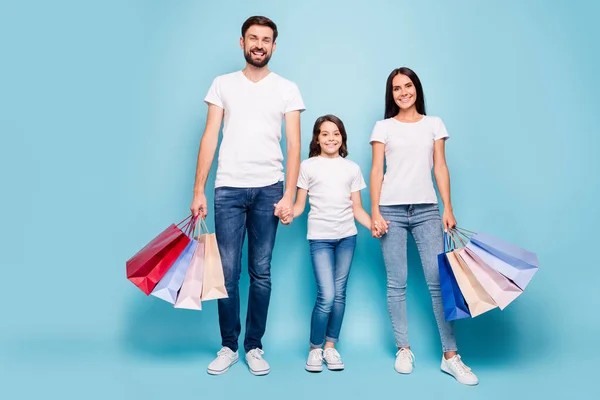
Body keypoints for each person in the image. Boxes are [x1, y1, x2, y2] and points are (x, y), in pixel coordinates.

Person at [189, 15, 305, 376]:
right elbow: (210, 136)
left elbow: (295, 144)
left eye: (266, 39)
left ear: (274, 46)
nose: (259, 44)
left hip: (269, 188)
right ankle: (228, 345)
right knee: (226, 271)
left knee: (261, 271)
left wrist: (289, 195)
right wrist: (198, 189)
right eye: (252, 38)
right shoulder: (222, 84)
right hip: (228, 188)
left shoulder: (287, 88)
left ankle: (254, 346)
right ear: (242, 43)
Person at [369, 67, 479, 385]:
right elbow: (377, 171)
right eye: (396, 88)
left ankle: (451, 356)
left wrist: (448, 206)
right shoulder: (383, 127)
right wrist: (375, 211)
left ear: (416, 89)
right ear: (391, 95)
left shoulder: (434, 124)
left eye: (408, 86)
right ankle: (403, 348)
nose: (403, 92)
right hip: (390, 210)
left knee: (437, 283)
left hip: (427, 210)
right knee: (397, 282)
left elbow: (440, 166)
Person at [278, 115, 385, 372]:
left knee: (339, 295)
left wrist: (373, 223)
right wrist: (288, 213)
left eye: (335, 133)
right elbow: (300, 205)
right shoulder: (308, 166)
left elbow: (357, 208)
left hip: (347, 238)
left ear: (342, 138)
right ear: (317, 138)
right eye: (325, 134)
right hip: (320, 239)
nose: (330, 138)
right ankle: (315, 348)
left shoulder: (352, 169)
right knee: (326, 295)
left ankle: (330, 347)